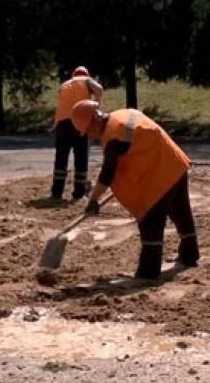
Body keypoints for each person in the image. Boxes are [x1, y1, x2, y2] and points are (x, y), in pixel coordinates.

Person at [70, 100, 200, 280]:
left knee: (151, 220)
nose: (91, 136)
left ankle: (148, 272)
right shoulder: (122, 115)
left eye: (88, 131)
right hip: (174, 163)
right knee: (181, 211)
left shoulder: (113, 135)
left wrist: (93, 200)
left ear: (95, 119)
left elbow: (107, 173)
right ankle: (189, 256)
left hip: (158, 176)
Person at [50, 66, 104, 201]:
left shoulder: (64, 85)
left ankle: (57, 192)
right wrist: (96, 106)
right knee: (81, 157)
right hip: (79, 121)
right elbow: (99, 89)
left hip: (61, 123)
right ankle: (79, 193)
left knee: (61, 159)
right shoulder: (86, 80)